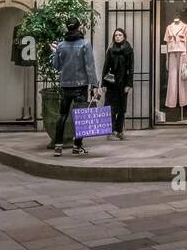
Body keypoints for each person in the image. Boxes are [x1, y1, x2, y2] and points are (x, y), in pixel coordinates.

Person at [50, 18, 98, 157]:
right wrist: (94, 84)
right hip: (81, 85)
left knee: (62, 115)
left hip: (65, 85)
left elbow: (57, 66)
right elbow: (90, 66)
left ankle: (58, 147)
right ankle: (77, 146)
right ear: (79, 27)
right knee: (81, 118)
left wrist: (54, 52)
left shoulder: (60, 45)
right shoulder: (85, 44)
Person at [101, 27, 134, 140]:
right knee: (110, 108)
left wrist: (129, 84)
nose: (118, 37)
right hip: (111, 82)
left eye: (120, 35)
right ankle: (110, 132)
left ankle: (119, 131)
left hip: (123, 83)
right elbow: (105, 67)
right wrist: (104, 84)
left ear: (124, 36)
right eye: (116, 35)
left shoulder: (129, 50)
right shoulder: (110, 50)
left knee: (121, 108)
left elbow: (131, 68)